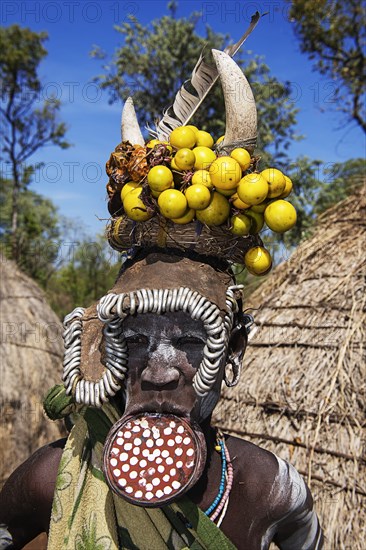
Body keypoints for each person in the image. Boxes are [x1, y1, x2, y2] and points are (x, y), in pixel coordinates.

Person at [0, 25, 323, 548]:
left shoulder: (271, 492)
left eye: (194, 341)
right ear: (99, 347)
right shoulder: (50, 481)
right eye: (133, 340)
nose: (157, 369)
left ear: (234, 349)